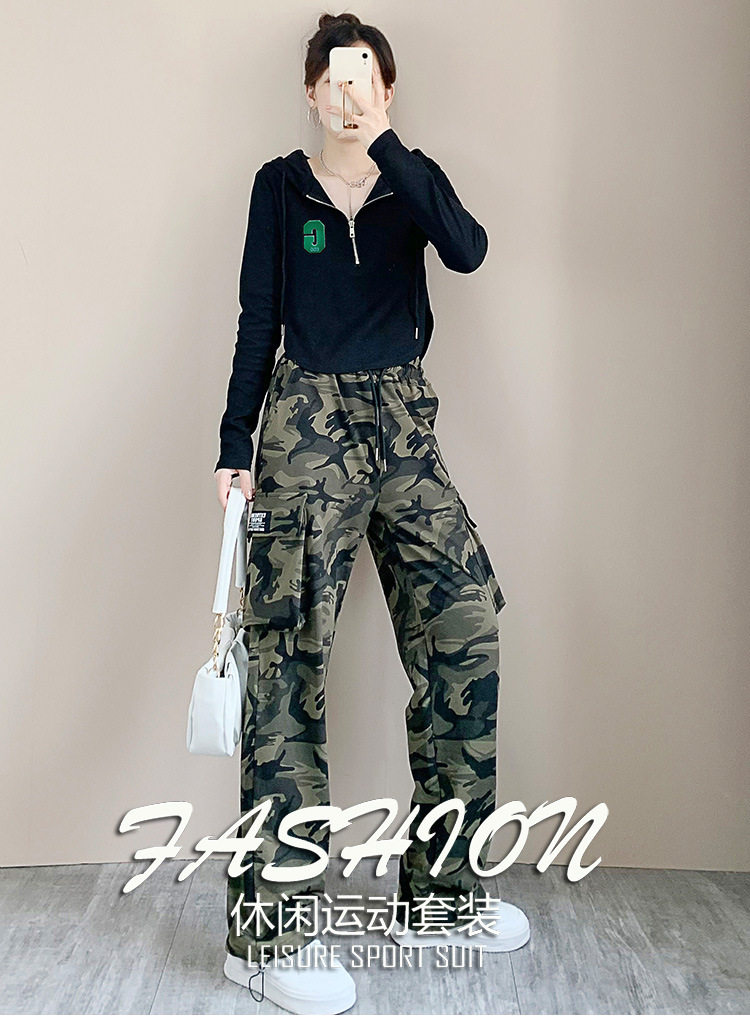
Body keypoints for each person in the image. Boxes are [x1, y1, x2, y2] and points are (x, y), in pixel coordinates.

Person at [214, 12, 529, 1015]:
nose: (347, 94)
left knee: (464, 630)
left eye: (365, 79)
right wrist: (234, 445)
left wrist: (388, 145)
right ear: (309, 92)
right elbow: (258, 319)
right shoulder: (278, 187)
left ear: (387, 90)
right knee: (287, 664)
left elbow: (468, 250)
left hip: (403, 421)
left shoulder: (411, 180)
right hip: (305, 425)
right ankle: (269, 938)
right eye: (333, 80)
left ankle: (441, 897)